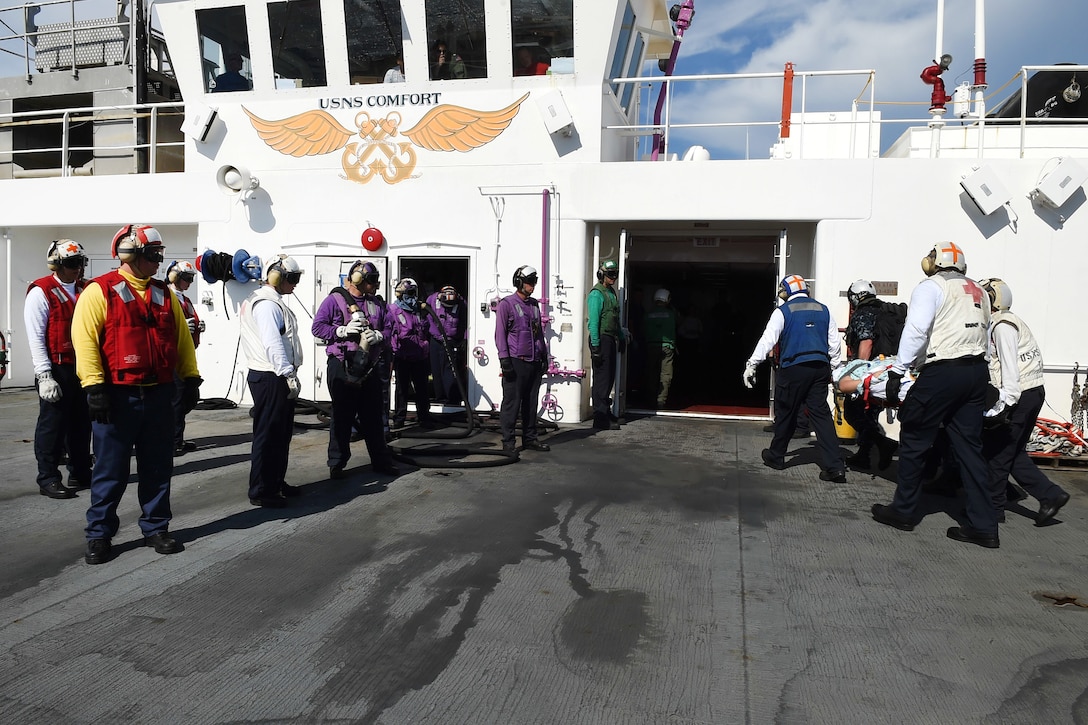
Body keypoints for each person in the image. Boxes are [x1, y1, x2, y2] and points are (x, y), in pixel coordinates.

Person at [72, 224, 201, 565]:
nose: (159, 262)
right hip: (117, 395)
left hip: (158, 394)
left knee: (158, 466)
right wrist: (94, 386)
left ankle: (156, 527)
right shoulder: (99, 291)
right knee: (110, 471)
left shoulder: (163, 293)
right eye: (154, 256)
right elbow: (84, 340)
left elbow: (182, 340)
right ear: (132, 255)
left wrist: (190, 379)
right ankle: (99, 534)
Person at [870, 243, 999, 547]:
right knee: (970, 448)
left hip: (944, 370)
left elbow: (916, 330)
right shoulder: (978, 291)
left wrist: (897, 371)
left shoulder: (931, 287)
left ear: (937, 261)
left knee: (914, 434)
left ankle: (903, 511)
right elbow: (985, 335)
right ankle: (984, 525)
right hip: (976, 371)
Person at [978, 278, 1070, 525]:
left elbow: (1009, 368)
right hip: (1032, 392)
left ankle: (993, 510)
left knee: (997, 454)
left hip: (1019, 395)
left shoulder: (1001, 325)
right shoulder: (1009, 321)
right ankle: (1051, 495)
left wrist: (1005, 404)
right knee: (1013, 452)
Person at [743, 274, 846, 482]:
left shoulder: (783, 312)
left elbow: (767, 340)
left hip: (794, 369)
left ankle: (776, 455)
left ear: (786, 291)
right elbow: (834, 344)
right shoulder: (824, 309)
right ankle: (835, 466)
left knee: (787, 412)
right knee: (821, 416)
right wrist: (835, 371)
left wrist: (752, 364)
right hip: (820, 368)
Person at [311, 260, 399, 479]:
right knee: (342, 416)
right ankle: (337, 463)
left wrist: (380, 336)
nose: (376, 285)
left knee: (373, 416)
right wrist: (341, 330)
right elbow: (318, 327)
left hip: (368, 367)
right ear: (358, 280)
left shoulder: (377, 304)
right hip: (342, 364)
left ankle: (381, 461)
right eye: (372, 281)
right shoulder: (335, 300)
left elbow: (390, 327)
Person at [24, 239, 93, 499]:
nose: (78, 269)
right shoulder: (40, 292)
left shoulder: (86, 289)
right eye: (73, 264)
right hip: (57, 368)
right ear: (57, 265)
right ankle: (48, 477)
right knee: (52, 426)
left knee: (82, 424)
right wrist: (44, 376)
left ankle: (80, 472)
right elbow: (36, 337)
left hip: (82, 367)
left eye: (81, 263)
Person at [239, 254, 304, 508]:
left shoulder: (269, 300)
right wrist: (287, 373)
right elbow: (273, 343)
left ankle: (275, 482)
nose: (295, 284)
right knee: (268, 435)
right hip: (271, 376)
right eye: (292, 278)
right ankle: (261, 490)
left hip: (272, 375)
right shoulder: (267, 304)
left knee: (280, 434)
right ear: (277, 276)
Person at [842, 279, 898, 470]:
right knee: (870, 414)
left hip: (871, 373)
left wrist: (858, 374)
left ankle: (884, 445)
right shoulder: (885, 310)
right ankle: (864, 455)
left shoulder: (863, 314)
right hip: (889, 370)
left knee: (852, 411)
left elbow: (865, 343)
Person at [495, 265, 549, 453]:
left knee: (531, 402)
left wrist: (544, 356)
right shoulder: (506, 305)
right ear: (519, 282)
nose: (532, 285)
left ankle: (530, 438)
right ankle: (508, 442)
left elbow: (539, 333)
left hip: (534, 361)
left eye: (534, 282)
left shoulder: (534, 305)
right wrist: (504, 360)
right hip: (516, 361)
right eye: (529, 282)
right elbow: (500, 334)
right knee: (512, 402)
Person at [166, 260, 204, 455]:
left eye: (191, 279)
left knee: (186, 399)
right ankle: (172, 441)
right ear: (175, 278)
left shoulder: (185, 300)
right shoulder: (166, 297)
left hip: (186, 354)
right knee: (176, 400)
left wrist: (198, 326)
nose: (189, 282)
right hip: (172, 357)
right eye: (186, 278)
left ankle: (177, 438)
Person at [389, 277, 437, 428]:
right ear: (400, 294)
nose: (412, 296)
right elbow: (389, 332)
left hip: (419, 356)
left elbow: (427, 328)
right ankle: (399, 419)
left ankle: (424, 417)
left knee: (422, 388)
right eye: (409, 293)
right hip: (402, 356)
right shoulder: (393, 310)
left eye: (414, 293)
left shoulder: (419, 310)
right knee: (402, 389)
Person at [587, 259, 622, 430]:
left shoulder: (611, 293)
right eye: (610, 275)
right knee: (601, 379)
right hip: (600, 338)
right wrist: (595, 347)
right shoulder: (596, 294)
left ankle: (605, 411)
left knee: (609, 378)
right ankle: (599, 417)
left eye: (615, 274)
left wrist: (620, 337)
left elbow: (615, 319)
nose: (613, 277)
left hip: (610, 338)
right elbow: (594, 322)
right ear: (602, 275)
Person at [426, 285, 468, 406]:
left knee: (449, 370)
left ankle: (452, 398)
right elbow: (427, 316)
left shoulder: (461, 303)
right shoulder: (432, 300)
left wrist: (465, 338)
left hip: (452, 340)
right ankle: (440, 397)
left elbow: (466, 322)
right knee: (436, 369)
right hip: (435, 339)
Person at [643, 288, 677, 409]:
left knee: (651, 373)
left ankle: (650, 399)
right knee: (666, 374)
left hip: (651, 345)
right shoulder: (671, 314)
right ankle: (661, 400)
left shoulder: (648, 314)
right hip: (667, 347)